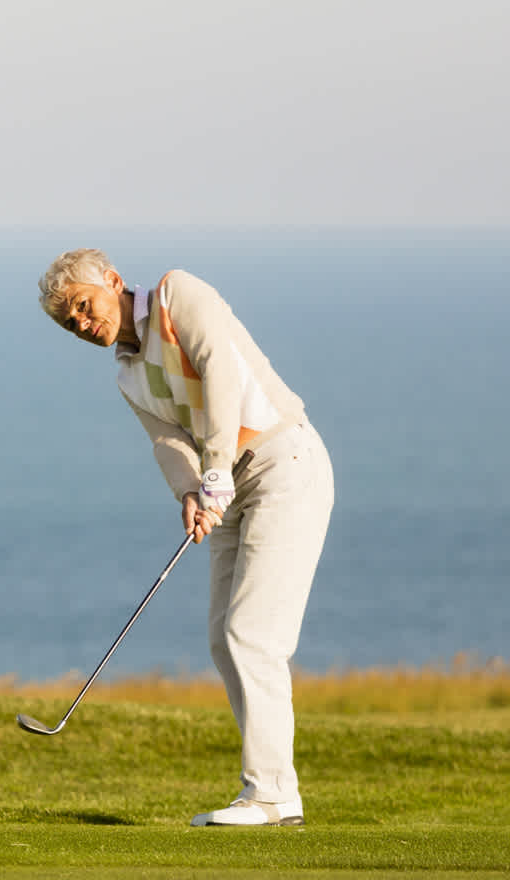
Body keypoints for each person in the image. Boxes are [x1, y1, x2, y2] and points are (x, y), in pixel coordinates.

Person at [37, 249, 334, 826]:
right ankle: (272, 793)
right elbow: (168, 442)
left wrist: (216, 470)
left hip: (282, 462)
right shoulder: (128, 376)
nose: (81, 323)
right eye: (68, 323)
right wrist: (192, 494)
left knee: (253, 636)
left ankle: (271, 796)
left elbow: (220, 370)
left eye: (83, 305)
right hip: (228, 488)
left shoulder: (178, 295)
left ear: (114, 282)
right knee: (225, 642)